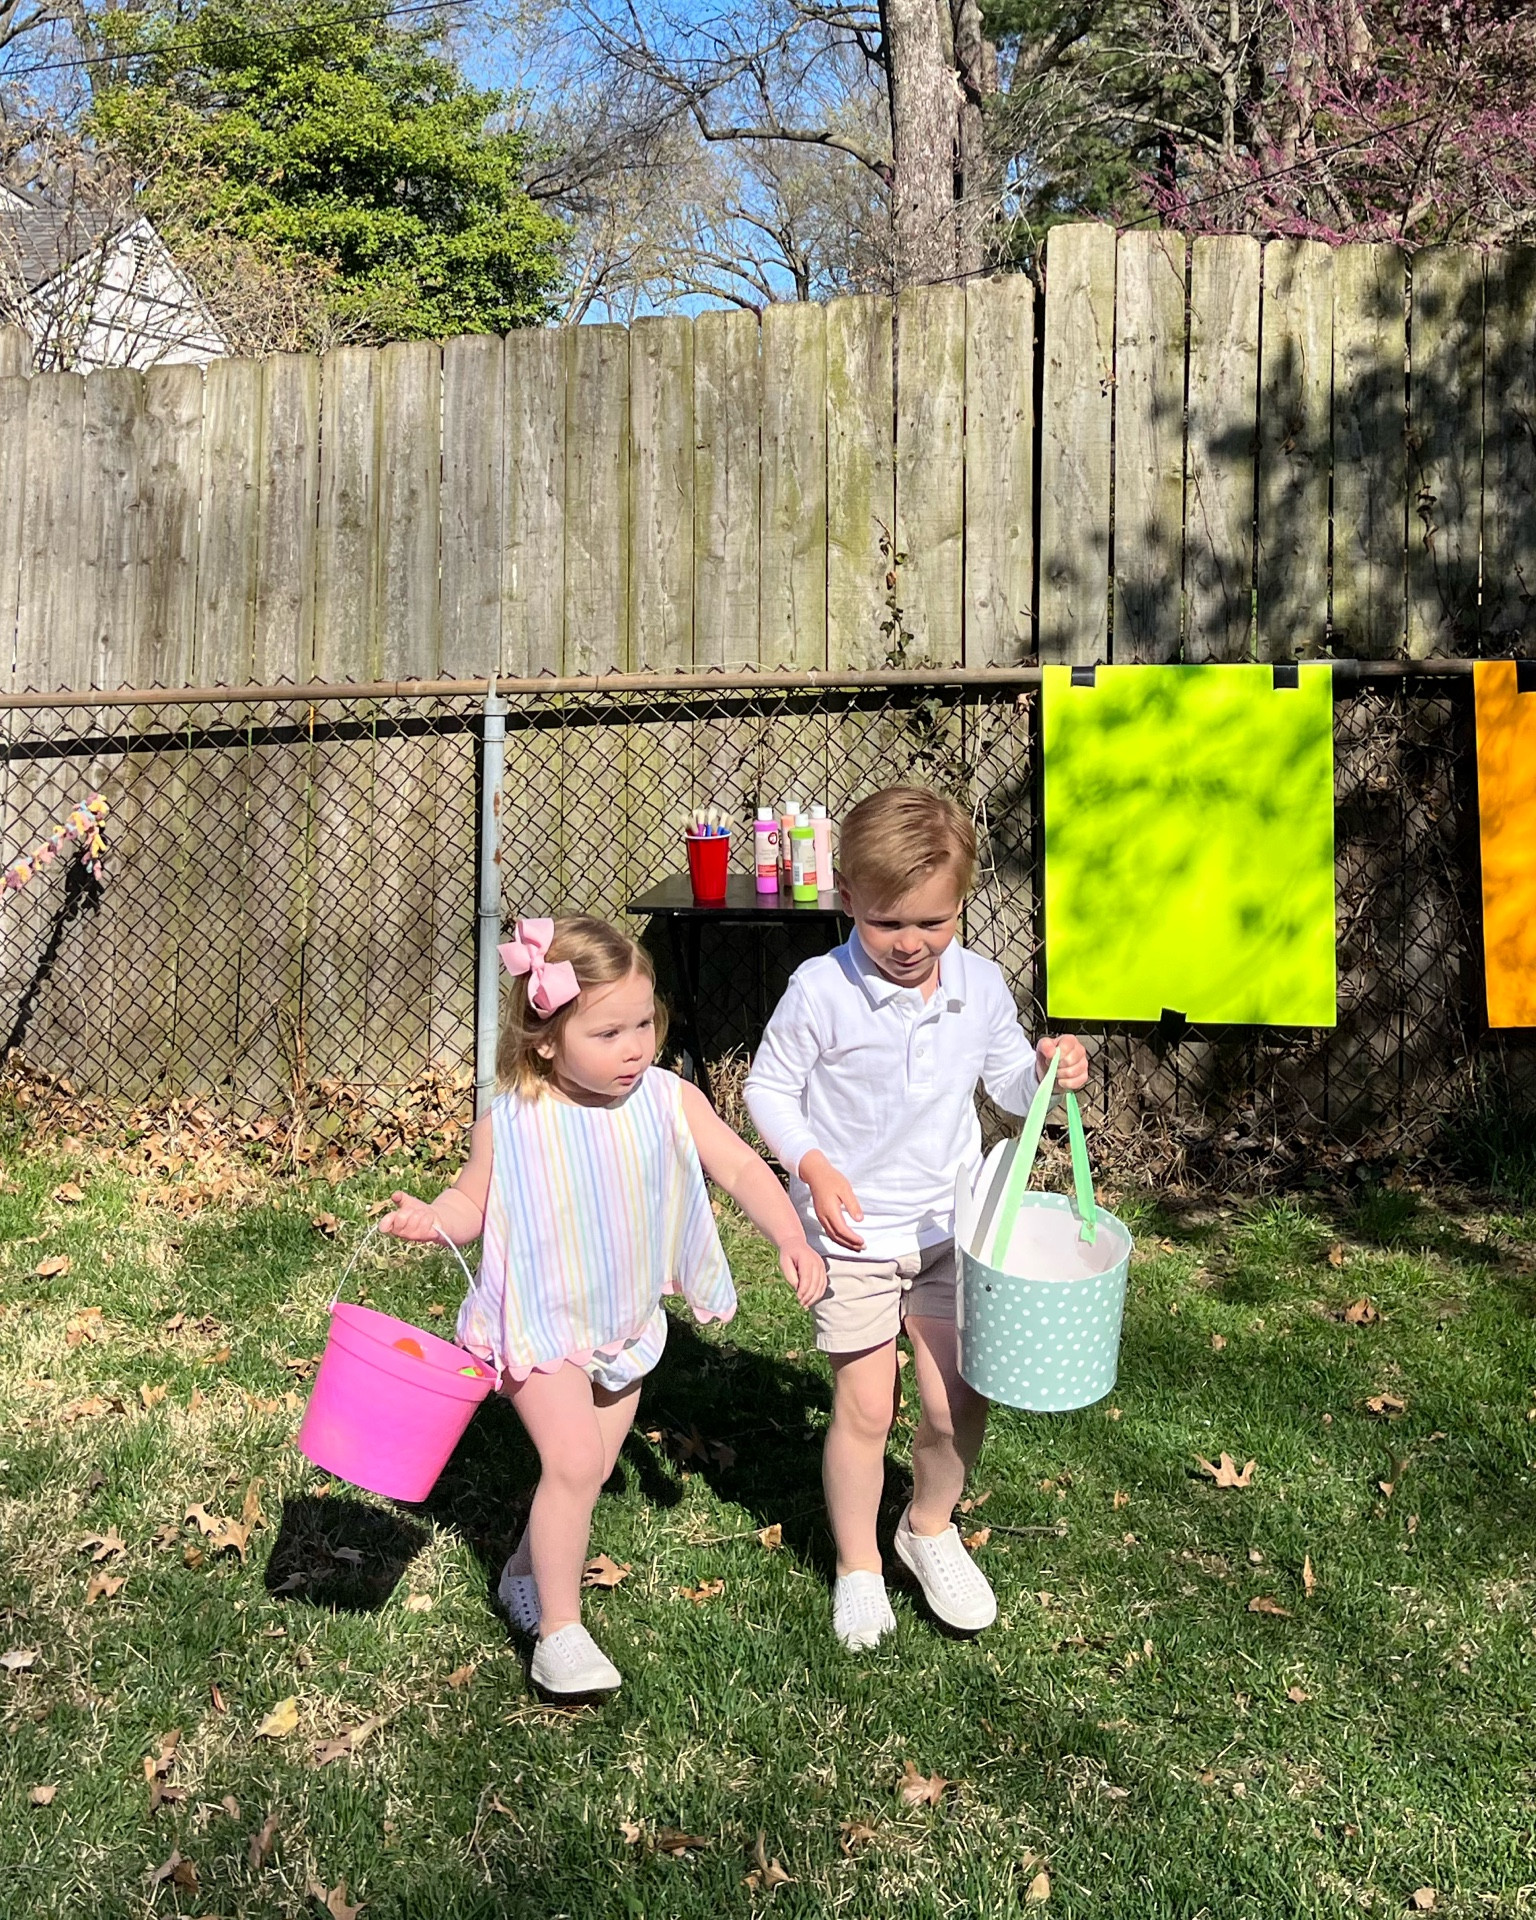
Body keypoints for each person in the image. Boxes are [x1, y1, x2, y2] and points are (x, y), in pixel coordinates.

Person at [382, 916, 825, 1696]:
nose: (634, 1048)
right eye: (608, 1032)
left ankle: (523, 1573)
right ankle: (560, 1632)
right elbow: (469, 1203)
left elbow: (739, 1167)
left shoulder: (670, 1100)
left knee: (585, 1474)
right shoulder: (512, 1122)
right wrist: (434, 1219)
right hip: (540, 1325)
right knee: (577, 1462)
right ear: (546, 1041)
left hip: (622, 1325)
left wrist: (790, 1233)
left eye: (644, 1024)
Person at [745, 787, 1089, 1651]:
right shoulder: (820, 990)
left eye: (933, 922)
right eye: (888, 922)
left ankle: (927, 1527)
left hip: (947, 1228)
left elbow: (1009, 1086)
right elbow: (768, 1089)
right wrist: (812, 1164)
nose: (911, 943)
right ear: (849, 900)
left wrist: (1047, 1072)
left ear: (962, 903)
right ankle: (860, 1565)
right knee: (868, 1409)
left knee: (957, 1398)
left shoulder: (979, 985)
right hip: (854, 1235)